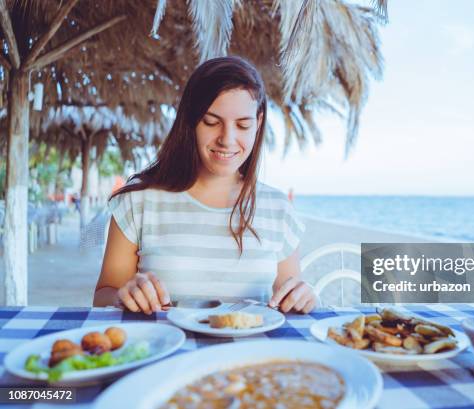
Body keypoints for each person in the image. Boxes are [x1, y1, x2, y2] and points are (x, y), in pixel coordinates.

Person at [93, 56, 316, 314]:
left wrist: (304, 298)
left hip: (251, 353)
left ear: (259, 123)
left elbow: (290, 300)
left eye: (243, 125)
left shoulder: (279, 210)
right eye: (211, 122)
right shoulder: (137, 200)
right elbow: (102, 296)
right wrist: (124, 295)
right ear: (190, 120)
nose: (227, 139)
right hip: (166, 350)